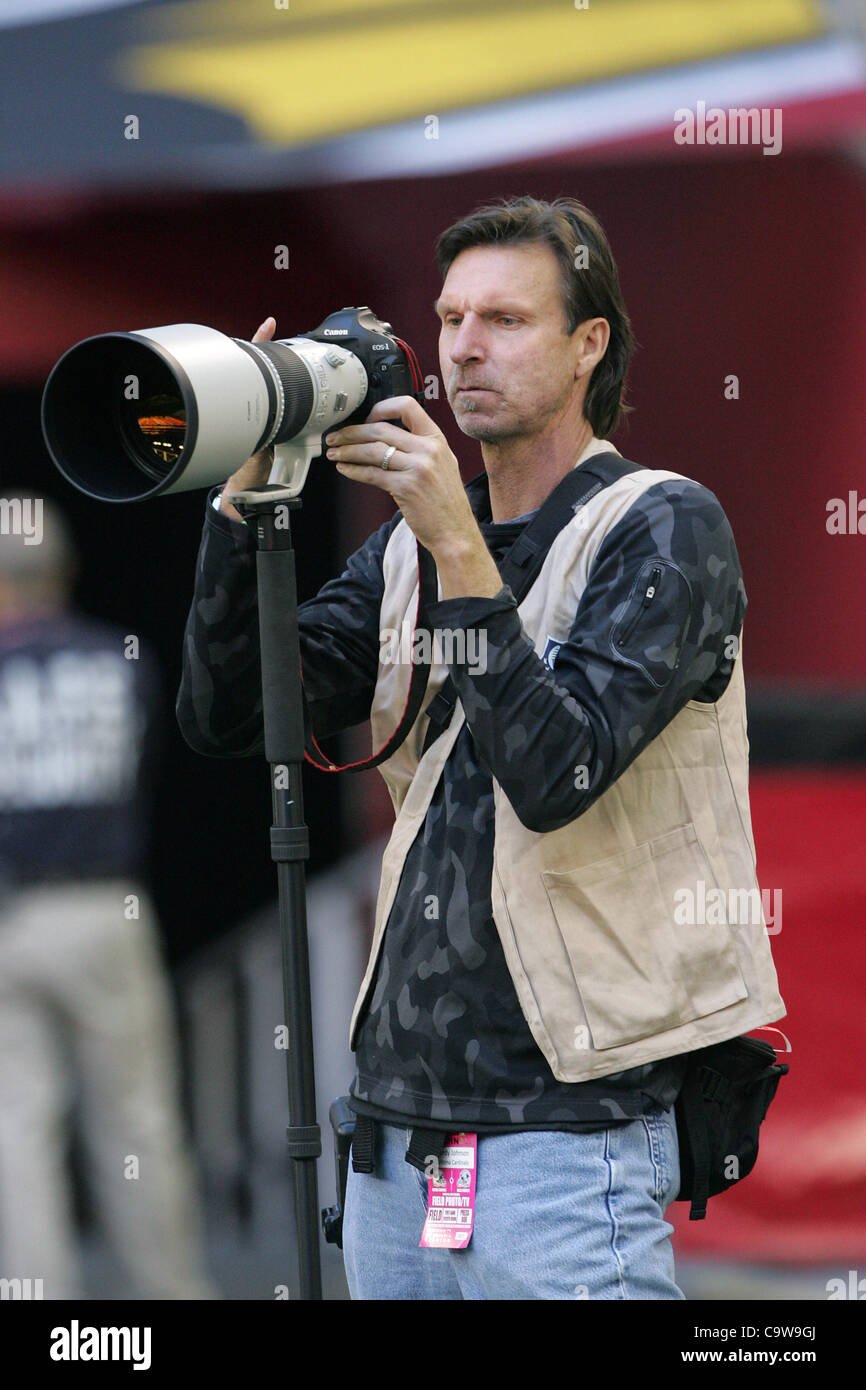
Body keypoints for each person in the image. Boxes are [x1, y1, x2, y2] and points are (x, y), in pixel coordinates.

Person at [176, 195, 785, 1300]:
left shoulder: (661, 524)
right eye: (450, 318)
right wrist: (246, 504)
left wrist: (455, 544)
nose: (461, 348)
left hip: (567, 1129)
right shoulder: (415, 543)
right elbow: (231, 715)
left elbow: (557, 776)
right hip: (397, 1128)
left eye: (503, 318)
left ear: (586, 344)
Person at [0, 492, 216, 1299]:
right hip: (108, 911)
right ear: (62, 570)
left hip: (11, 921)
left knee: (16, 1131)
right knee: (139, 1125)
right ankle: (172, 1295)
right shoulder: (120, 658)